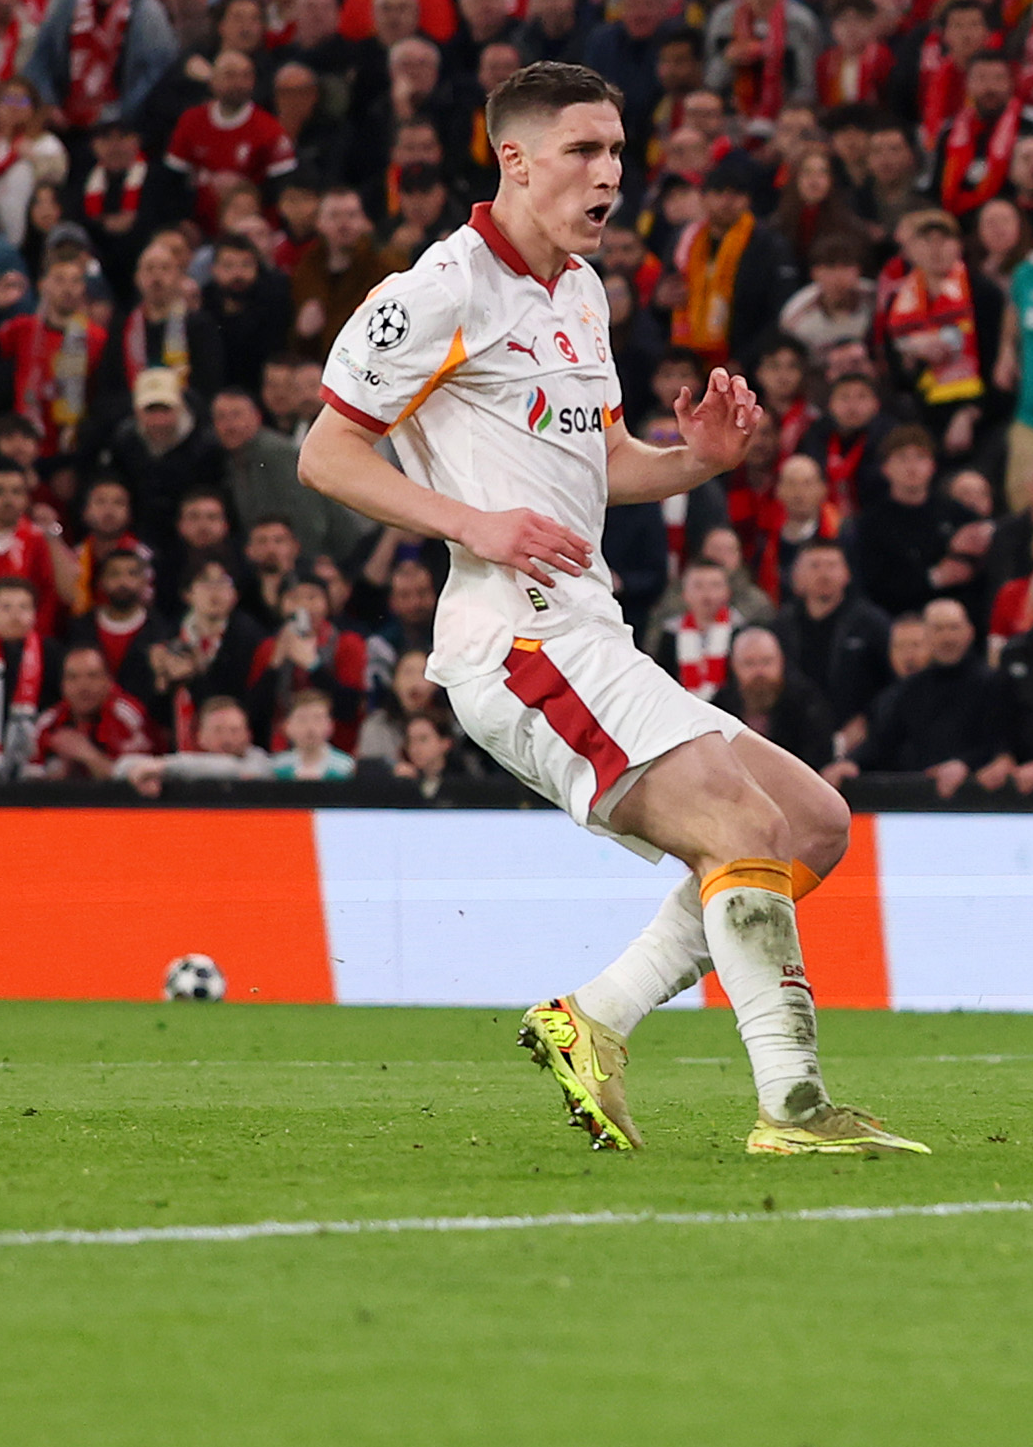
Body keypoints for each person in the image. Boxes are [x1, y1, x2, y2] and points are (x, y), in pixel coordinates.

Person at [296, 62, 919, 1158]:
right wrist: (474, 524)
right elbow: (327, 454)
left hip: (590, 628)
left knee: (813, 823)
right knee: (743, 830)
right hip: (516, 638)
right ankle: (793, 1106)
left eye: (618, 152)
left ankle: (594, 1017)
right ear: (515, 159)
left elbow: (603, 461)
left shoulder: (582, 289)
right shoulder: (438, 289)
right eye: (583, 151)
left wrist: (697, 461)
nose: (609, 175)